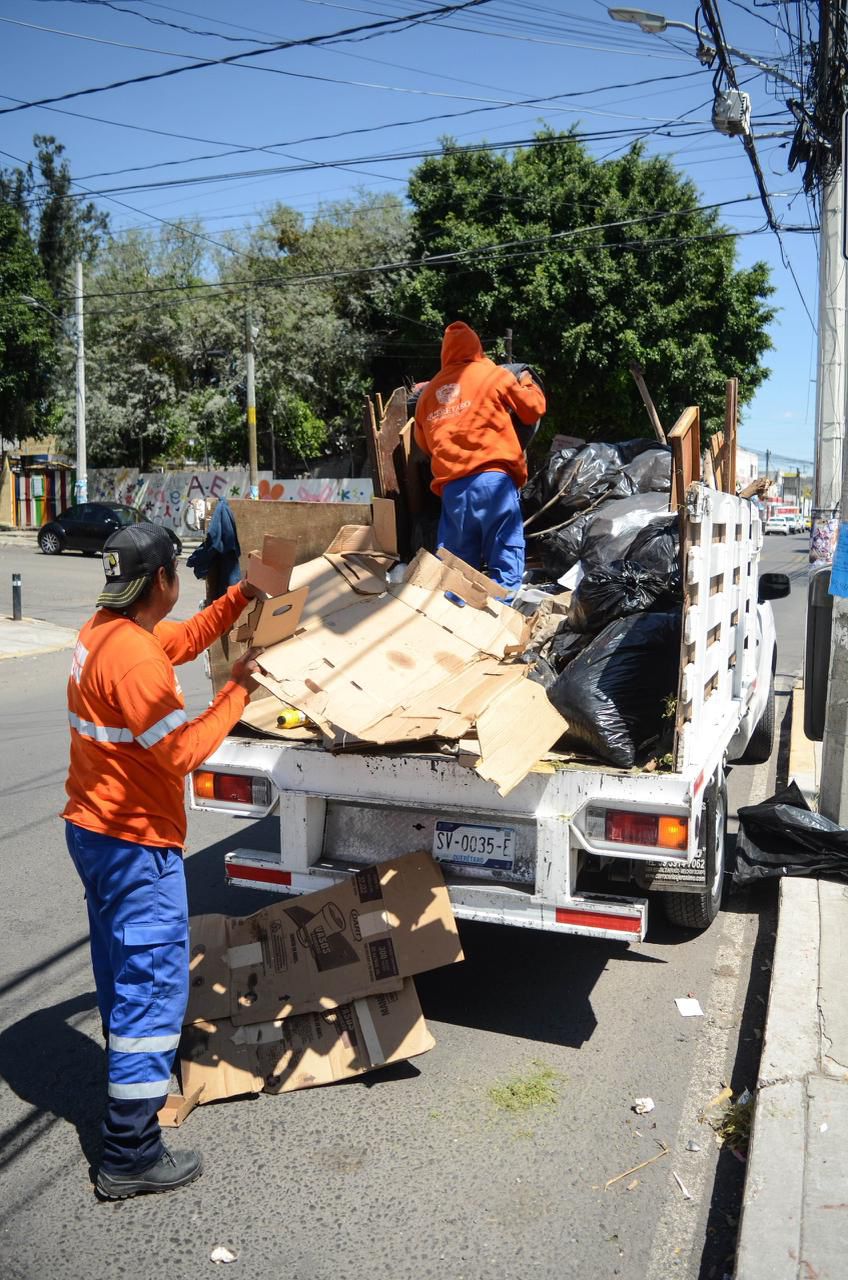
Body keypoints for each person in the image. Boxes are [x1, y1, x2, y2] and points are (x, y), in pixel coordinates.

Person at [63, 521, 262, 1199]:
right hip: (134, 844)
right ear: (162, 581)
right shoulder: (136, 662)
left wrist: (240, 597)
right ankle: (129, 1152)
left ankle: (128, 1092)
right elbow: (181, 753)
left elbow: (185, 638)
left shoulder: (108, 630)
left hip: (94, 832)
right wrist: (238, 691)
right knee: (151, 990)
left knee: (123, 974)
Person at [414, 321, 546, 593]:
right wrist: (527, 382)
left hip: (454, 490)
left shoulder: (428, 394)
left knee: (456, 570)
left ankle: (456, 614)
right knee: (504, 557)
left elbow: (424, 444)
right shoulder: (494, 375)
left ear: (445, 352)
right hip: (494, 481)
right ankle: (500, 612)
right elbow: (532, 410)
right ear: (477, 347)